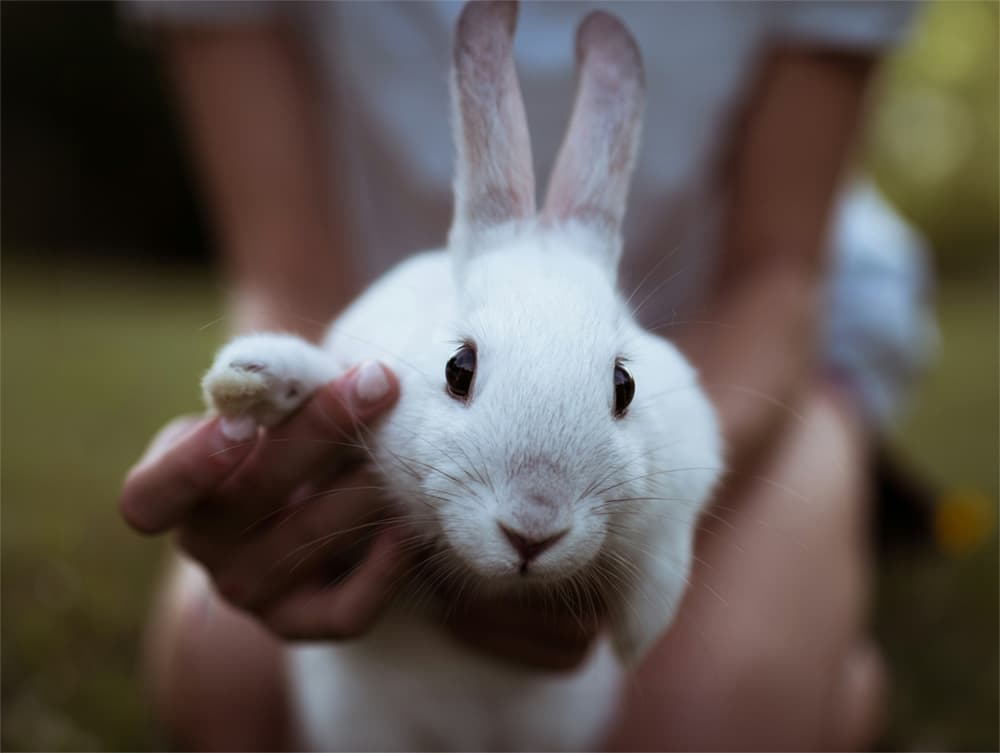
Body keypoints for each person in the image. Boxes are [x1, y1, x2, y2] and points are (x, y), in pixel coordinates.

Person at [119, 2, 935, 750]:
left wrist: (649, 532)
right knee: (225, 686)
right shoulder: (413, 322)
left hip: (746, 330)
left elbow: (778, 276)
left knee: (713, 724)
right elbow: (287, 277)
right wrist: (271, 448)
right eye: (461, 375)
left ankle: (836, 623)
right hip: (386, 285)